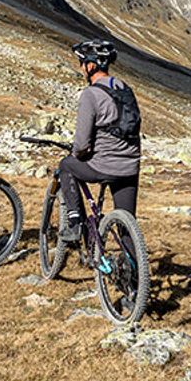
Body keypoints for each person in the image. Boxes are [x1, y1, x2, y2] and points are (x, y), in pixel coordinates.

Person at [58, 39, 141, 240]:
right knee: (128, 224)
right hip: (130, 166)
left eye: (82, 63)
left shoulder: (91, 94)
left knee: (66, 166)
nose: (81, 68)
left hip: (104, 166)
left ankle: (76, 223)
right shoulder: (124, 88)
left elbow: (81, 146)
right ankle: (133, 268)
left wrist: (79, 152)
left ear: (92, 65)